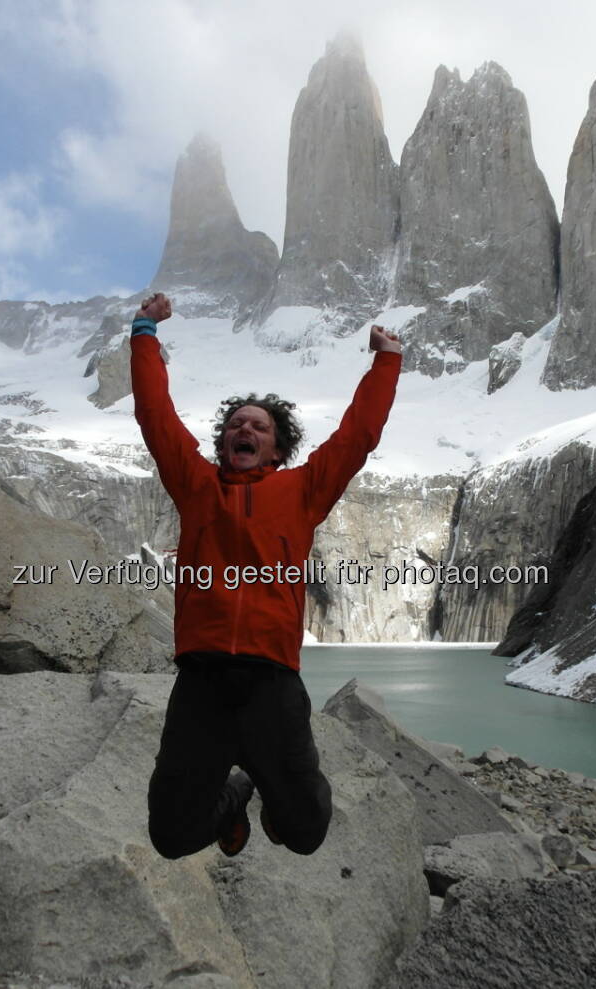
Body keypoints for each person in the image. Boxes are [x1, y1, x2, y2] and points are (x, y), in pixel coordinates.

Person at [131, 291, 401, 858]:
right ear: (225, 443)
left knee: (304, 833)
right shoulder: (196, 485)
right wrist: (144, 333)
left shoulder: (302, 492)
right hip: (201, 684)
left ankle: (268, 797)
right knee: (171, 837)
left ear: (275, 447)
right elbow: (156, 417)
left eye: (256, 425)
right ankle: (232, 798)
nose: (243, 429)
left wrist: (386, 362)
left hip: (271, 686)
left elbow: (358, 437)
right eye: (234, 425)